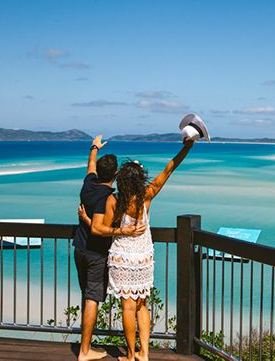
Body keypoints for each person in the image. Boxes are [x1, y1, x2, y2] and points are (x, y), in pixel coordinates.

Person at [79, 139, 194, 361]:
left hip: (122, 257)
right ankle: (144, 353)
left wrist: (118, 230)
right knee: (142, 305)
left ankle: (130, 355)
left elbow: (99, 228)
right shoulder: (146, 196)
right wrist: (187, 147)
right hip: (143, 257)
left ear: (121, 180)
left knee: (128, 308)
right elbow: (169, 168)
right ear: (139, 179)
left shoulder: (113, 200)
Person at [74, 136, 146, 361]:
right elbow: (99, 228)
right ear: (115, 176)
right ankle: (85, 350)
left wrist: (94, 148)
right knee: (92, 299)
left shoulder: (88, 184)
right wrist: (125, 232)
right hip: (96, 253)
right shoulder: (108, 198)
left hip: (79, 248)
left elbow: (90, 166)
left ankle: (87, 345)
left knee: (87, 295)